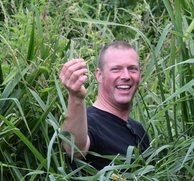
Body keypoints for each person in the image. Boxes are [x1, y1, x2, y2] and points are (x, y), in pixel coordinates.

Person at [59, 41, 150, 171]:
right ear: (99, 75)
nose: (126, 76)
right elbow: (74, 149)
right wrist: (76, 98)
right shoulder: (88, 121)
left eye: (132, 69)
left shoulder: (139, 129)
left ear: (140, 75)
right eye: (116, 69)